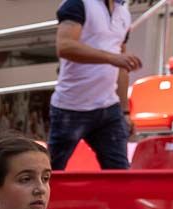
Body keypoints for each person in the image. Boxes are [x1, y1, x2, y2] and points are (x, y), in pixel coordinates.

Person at [49, 0, 139, 171]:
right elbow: (65, 46)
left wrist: (125, 111)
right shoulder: (77, 4)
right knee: (52, 171)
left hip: (108, 107)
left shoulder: (123, 13)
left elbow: (121, 66)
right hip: (71, 106)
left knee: (119, 173)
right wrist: (112, 58)